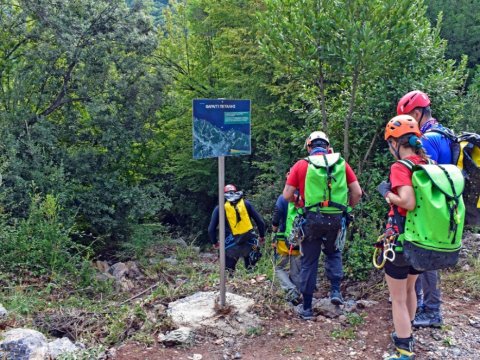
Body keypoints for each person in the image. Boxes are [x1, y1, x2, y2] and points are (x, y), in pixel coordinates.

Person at [283, 131, 362, 320]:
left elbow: (287, 195)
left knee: (309, 262)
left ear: (309, 147)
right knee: (334, 252)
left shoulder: (301, 165)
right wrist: (345, 208)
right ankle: (335, 292)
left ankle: (307, 308)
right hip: (335, 220)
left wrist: (299, 203)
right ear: (328, 147)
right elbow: (357, 192)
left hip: (310, 220)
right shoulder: (341, 164)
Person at [377, 115, 430, 360]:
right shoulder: (427, 163)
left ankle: (404, 351)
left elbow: (407, 201)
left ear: (396, 143)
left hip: (400, 240)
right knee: (410, 290)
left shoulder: (401, 167)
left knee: (397, 298)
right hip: (422, 239)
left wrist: (388, 194)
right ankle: (406, 332)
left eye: (390, 144)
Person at [397, 90, 448, 328]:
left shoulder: (427, 140)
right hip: (446, 206)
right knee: (431, 257)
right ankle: (423, 306)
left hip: (430, 209)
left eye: (409, 119)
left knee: (425, 258)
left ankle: (430, 310)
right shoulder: (445, 134)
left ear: (417, 113)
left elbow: (423, 180)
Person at [208, 184, 265, 273]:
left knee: (229, 272)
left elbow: (211, 229)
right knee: (251, 271)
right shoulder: (246, 204)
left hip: (230, 245)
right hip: (249, 243)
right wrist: (262, 236)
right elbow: (260, 222)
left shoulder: (220, 208)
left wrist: (215, 242)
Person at [272, 186, 302, 305]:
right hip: (300, 240)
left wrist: (274, 228)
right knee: (296, 270)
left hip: (283, 239)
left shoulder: (283, 197)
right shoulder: (306, 197)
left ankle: (291, 290)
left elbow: (277, 212)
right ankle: (297, 298)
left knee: (279, 267)